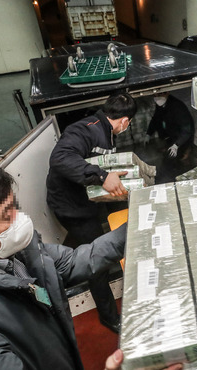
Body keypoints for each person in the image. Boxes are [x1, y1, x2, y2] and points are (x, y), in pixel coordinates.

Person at [0, 163, 126, 369]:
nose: (21, 219)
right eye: (7, 216)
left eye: (15, 207)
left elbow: (73, 261)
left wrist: (135, 228)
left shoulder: (10, 251)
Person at [46, 92, 136, 333]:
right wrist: (103, 176)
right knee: (98, 260)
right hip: (71, 207)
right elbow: (61, 158)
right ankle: (109, 317)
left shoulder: (104, 128)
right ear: (125, 121)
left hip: (85, 201)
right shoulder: (85, 129)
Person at [144, 91, 195, 159]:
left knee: (181, 158)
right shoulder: (161, 104)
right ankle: (170, 146)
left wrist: (176, 145)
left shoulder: (178, 107)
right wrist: (148, 134)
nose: (157, 98)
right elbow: (156, 119)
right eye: (154, 96)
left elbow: (187, 130)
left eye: (159, 95)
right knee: (169, 155)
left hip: (184, 135)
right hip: (173, 133)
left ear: (167, 93)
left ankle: (186, 151)